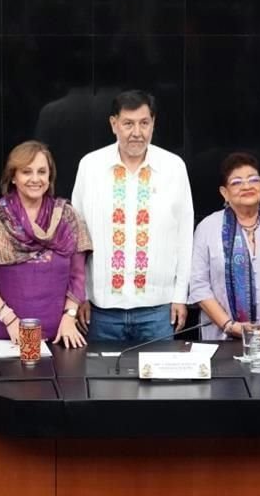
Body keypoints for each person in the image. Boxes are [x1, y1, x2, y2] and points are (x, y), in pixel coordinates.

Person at [71, 90, 194, 341]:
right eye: (128, 123)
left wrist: (180, 296)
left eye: (144, 123)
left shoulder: (173, 167)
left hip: (158, 310)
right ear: (113, 124)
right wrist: (78, 295)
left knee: (158, 381)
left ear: (153, 123)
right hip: (101, 311)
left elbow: (184, 237)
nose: (136, 132)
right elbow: (76, 238)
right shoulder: (91, 166)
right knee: (100, 380)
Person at [0, 141, 92, 347]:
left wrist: (70, 316)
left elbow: (78, 275)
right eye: (26, 172)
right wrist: (10, 320)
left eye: (42, 171)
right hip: (3, 337)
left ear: (50, 176)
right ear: (13, 177)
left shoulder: (66, 216)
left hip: (58, 337)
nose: (35, 179)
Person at [189, 152, 260, 341]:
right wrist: (229, 325)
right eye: (236, 182)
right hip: (223, 337)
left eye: (253, 179)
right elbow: (199, 285)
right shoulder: (208, 228)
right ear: (224, 192)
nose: (246, 186)